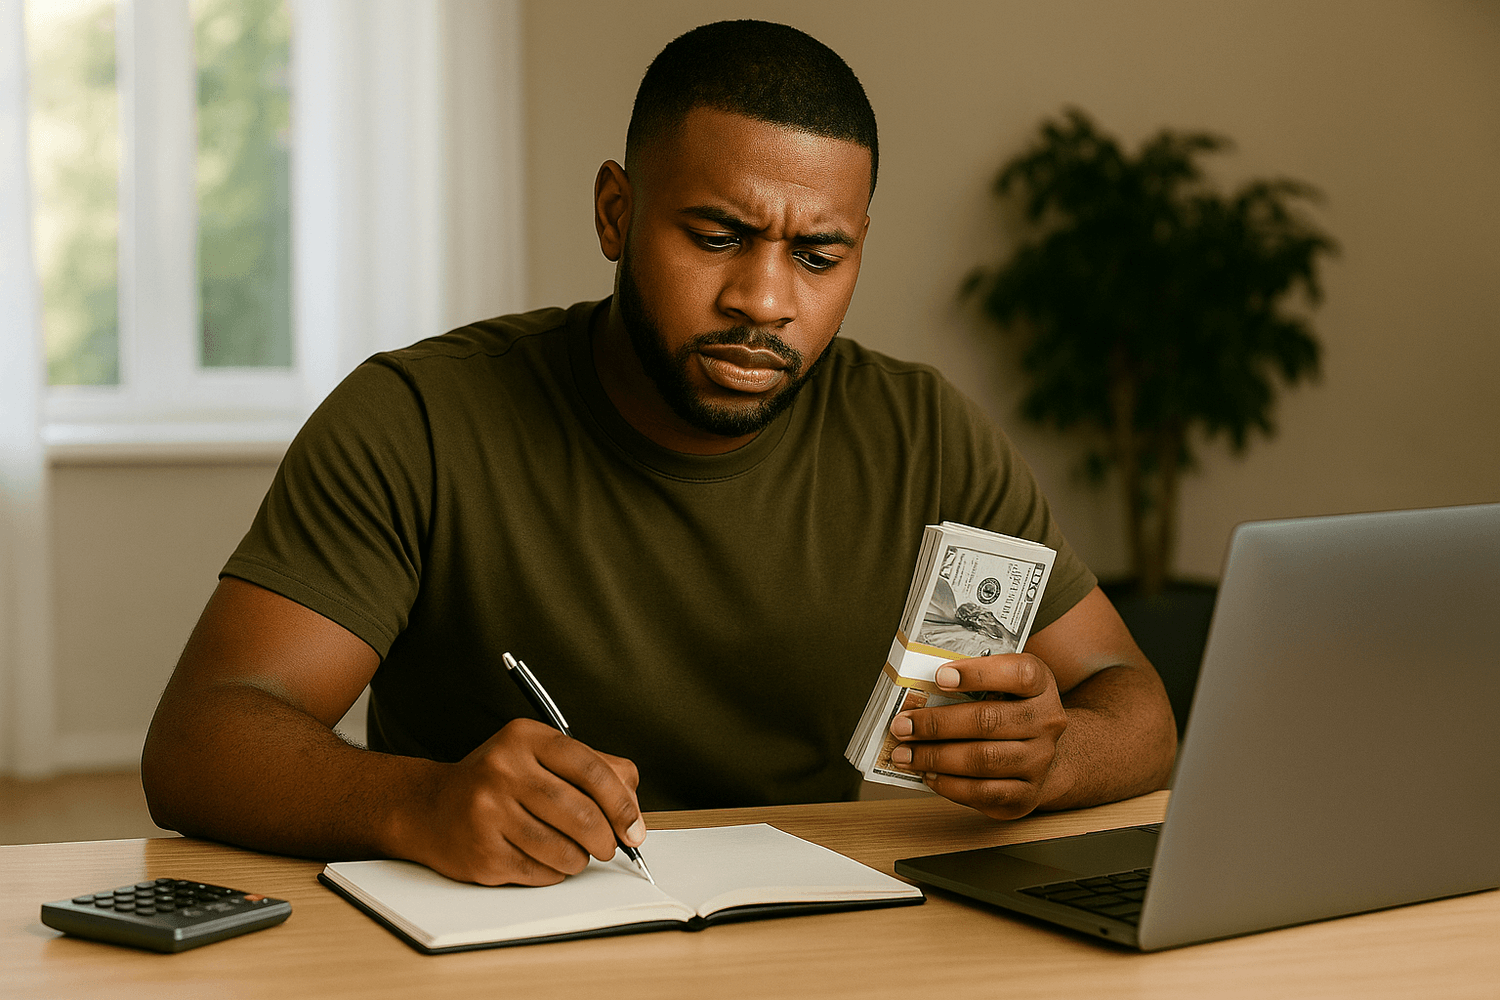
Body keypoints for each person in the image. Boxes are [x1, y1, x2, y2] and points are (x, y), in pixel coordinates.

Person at [142, 20, 1176, 888]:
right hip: (505, 933)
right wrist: (418, 800)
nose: (765, 301)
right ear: (616, 213)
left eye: (819, 256)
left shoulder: (922, 430)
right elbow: (201, 741)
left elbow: (1133, 699)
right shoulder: (416, 417)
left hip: (808, 934)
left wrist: (1051, 757)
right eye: (718, 236)